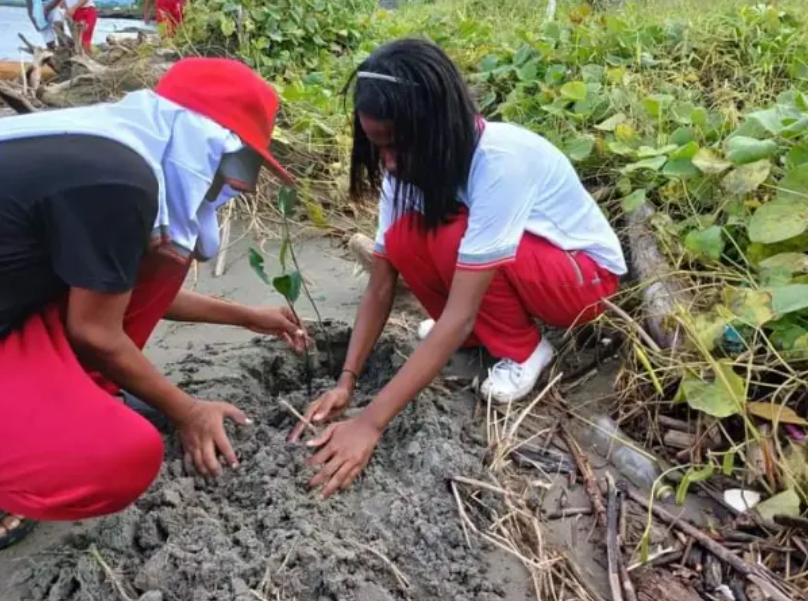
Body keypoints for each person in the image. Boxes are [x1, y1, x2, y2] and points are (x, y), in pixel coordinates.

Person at [290, 39, 627, 497]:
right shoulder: (404, 169)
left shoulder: (500, 161)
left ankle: (525, 351)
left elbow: (462, 307)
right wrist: (346, 382)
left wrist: (369, 424)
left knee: (452, 235)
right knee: (408, 236)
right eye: (377, 146)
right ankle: (475, 342)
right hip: (526, 270)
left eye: (395, 146)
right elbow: (381, 284)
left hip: (584, 282)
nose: (387, 162)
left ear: (434, 129)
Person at [0, 57, 306, 550]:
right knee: (125, 458)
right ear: (205, 139)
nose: (238, 183)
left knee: (163, 259)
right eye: (240, 162)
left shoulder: (110, 145)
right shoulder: (119, 183)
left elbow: (113, 292)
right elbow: (95, 330)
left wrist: (250, 317)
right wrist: (188, 411)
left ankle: (76, 398)